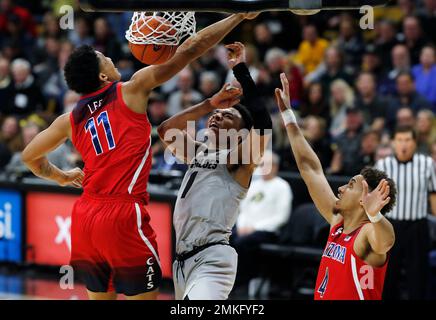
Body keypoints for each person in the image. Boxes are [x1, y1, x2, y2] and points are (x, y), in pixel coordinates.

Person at [20, 12, 259, 300]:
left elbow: (30, 156)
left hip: (84, 215)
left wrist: (61, 177)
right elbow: (190, 48)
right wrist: (237, 17)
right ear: (103, 75)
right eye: (104, 58)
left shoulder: (68, 120)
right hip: (122, 215)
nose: (110, 58)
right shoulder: (132, 89)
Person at [157, 42, 272, 300]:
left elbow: (263, 123)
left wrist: (241, 70)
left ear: (241, 135)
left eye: (228, 116)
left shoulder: (238, 160)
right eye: (218, 114)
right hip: (182, 261)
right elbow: (165, 131)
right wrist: (210, 103)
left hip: (212, 257)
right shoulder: (199, 151)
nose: (218, 116)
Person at [275, 73, 397, 300]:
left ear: (365, 198)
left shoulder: (367, 234)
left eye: (350, 185)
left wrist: (376, 216)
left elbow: (387, 241)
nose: (340, 189)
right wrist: (289, 117)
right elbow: (310, 169)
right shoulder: (338, 223)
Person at [376, 126, 436, 300]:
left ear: (415, 143)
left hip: (417, 226)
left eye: (408, 140)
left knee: (418, 276)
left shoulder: (427, 164)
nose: (404, 144)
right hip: (390, 227)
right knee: (388, 275)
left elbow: (433, 194)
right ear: (393, 142)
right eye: (400, 140)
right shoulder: (383, 165)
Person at [233, 151, 292, 290]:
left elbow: (282, 217)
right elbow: (243, 210)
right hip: (246, 229)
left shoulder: (282, 187)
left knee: (242, 243)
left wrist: (255, 227)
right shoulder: (253, 185)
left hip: (268, 231)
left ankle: (245, 280)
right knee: (227, 238)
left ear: (275, 166)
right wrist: (242, 226)